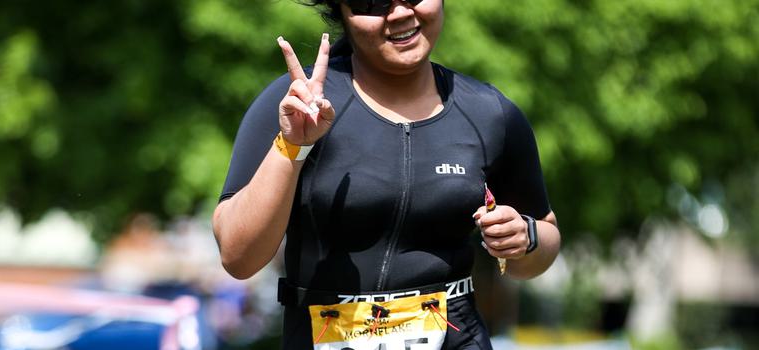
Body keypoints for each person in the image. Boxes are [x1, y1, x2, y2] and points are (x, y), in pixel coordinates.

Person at [212, 0, 561, 348]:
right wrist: (292, 146)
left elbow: (542, 242)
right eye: (373, 2)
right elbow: (238, 258)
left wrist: (525, 237)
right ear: (342, 13)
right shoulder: (298, 102)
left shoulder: (490, 113)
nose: (401, 13)